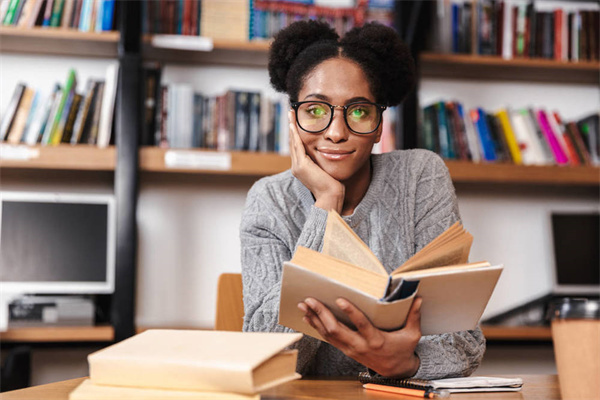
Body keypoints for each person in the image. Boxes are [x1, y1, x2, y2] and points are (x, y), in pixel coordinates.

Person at [240, 20, 485, 379]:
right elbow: (268, 356)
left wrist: (405, 364)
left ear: (378, 125)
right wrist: (326, 205)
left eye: (358, 111)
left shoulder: (419, 177)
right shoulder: (269, 200)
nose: (337, 133)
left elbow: (465, 341)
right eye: (315, 110)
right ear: (292, 118)